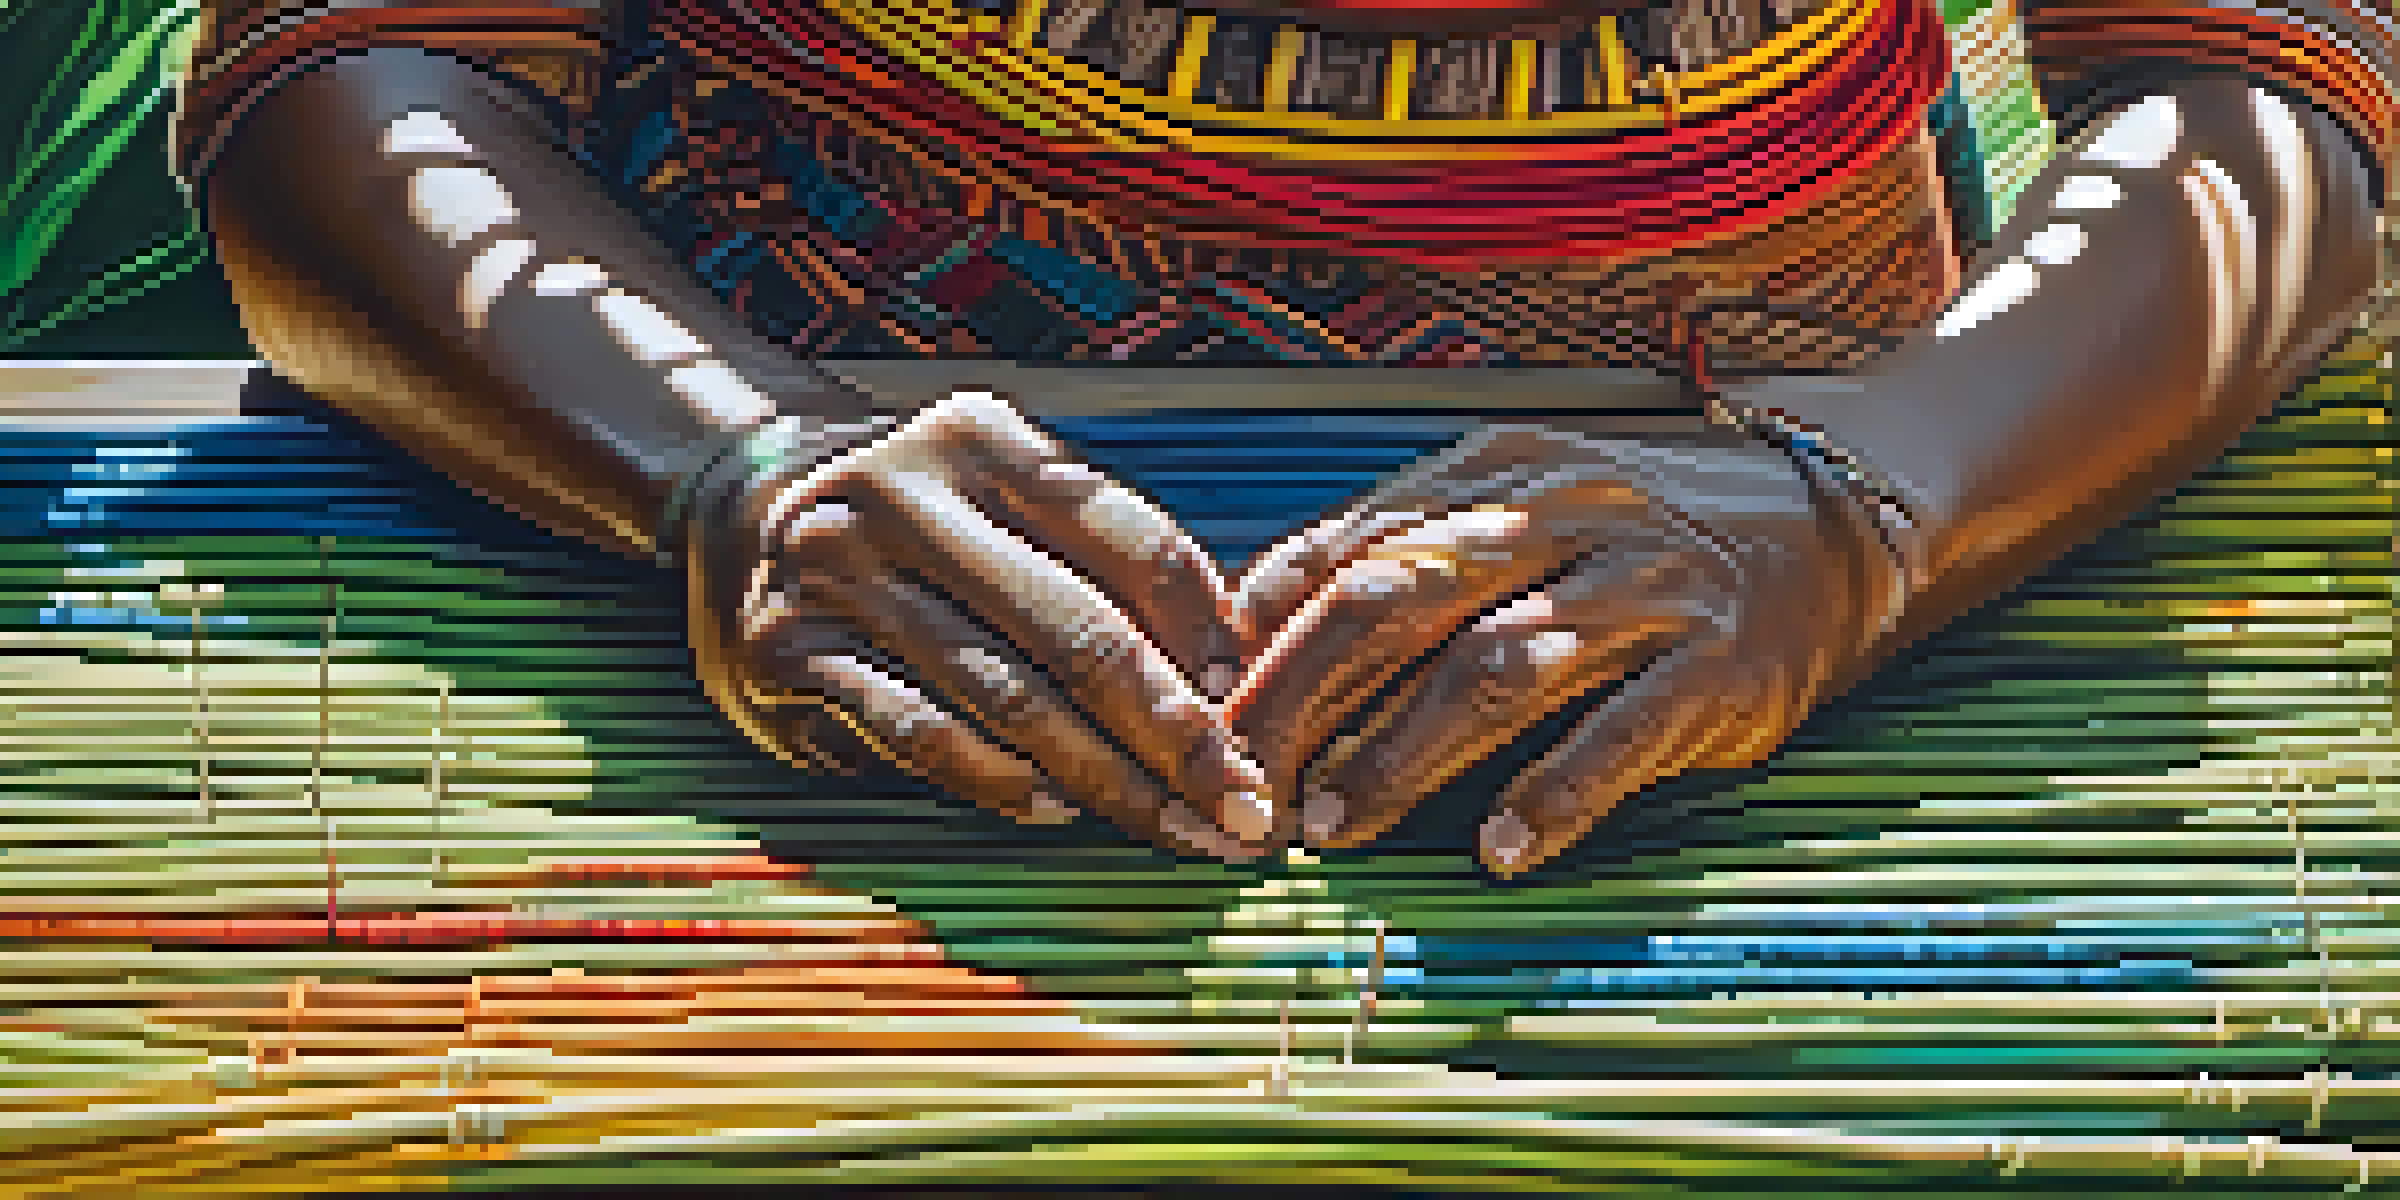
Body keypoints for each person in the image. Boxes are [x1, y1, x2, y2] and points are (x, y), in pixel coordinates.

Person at [174, 0, 2392, 876]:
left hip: (1730, 560)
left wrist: (1871, 506)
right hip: (803, 545)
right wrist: (745, 469)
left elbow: (2267, 86)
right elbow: (358, 63)